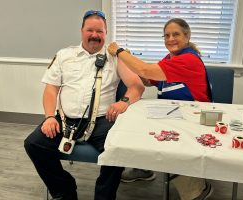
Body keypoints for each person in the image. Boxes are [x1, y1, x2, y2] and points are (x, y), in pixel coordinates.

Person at [24, 10, 144, 200]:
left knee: (119, 148)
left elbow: (137, 86)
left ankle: (104, 196)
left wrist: (124, 102)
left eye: (100, 31)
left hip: (102, 120)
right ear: (81, 31)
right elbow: (50, 90)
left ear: (106, 33)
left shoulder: (116, 57)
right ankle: (64, 190)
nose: (95, 35)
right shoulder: (64, 55)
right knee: (34, 144)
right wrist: (48, 117)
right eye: (90, 30)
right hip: (65, 119)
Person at [108, 18, 212, 200]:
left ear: (187, 36)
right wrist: (130, 65)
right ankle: (143, 169)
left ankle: (196, 191)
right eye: (167, 35)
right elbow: (150, 79)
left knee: (175, 144)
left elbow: (146, 70)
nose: (170, 39)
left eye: (176, 34)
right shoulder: (171, 57)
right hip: (173, 113)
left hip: (194, 118)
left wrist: (120, 52)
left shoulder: (188, 60)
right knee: (136, 123)